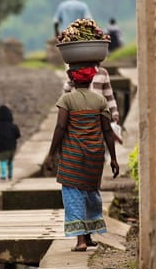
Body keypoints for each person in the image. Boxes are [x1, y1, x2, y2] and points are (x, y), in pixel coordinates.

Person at [45, 65, 119, 252]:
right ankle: (89, 235)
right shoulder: (99, 100)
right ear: (90, 79)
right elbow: (107, 131)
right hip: (95, 155)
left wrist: (51, 154)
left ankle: (81, 241)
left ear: (74, 80)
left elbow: (60, 127)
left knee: (73, 194)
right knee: (90, 192)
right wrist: (113, 159)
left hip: (72, 155)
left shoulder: (67, 100)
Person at [62, 63, 122, 144]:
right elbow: (66, 92)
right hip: (80, 115)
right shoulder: (76, 72)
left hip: (98, 114)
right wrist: (70, 81)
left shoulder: (103, 73)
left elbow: (109, 96)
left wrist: (114, 113)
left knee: (100, 142)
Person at [0, 105, 21, 181]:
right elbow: (18, 135)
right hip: (12, 147)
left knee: (3, 161)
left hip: (2, 147)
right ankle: (10, 174)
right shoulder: (13, 126)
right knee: (10, 161)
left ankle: (3, 175)